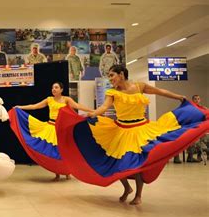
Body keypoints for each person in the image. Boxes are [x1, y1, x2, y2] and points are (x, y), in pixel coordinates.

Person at [56, 64, 208, 205]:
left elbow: (160, 92)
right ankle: (127, 188)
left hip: (141, 129)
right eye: (108, 76)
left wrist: (179, 97)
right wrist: (92, 113)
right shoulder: (113, 93)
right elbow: (103, 107)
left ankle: (138, 195)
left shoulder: (139, 86)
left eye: (111, 75)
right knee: (119, 164)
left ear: (121, 74)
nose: (110, 79)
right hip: (122, 131)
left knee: (137, 164)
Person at [9, 82, 93, 181]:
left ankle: (67, 172)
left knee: (64, 152)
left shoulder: (66, 99)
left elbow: (77, 106)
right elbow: (35, 106)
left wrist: (92, 110)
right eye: (53, 87)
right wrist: (20, 107)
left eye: (56, 87)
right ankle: (57, 173)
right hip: (50, 127)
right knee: (53, 152)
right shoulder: (49, 100)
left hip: (62, 128)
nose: (54, 89)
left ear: (61, 90)